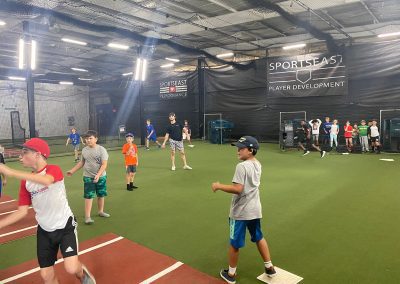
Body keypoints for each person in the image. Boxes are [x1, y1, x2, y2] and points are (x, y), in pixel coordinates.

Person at [0, 138, 96, 284]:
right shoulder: (26, 182)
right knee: (46, 276)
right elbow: (22, 211)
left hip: (65, 226)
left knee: (71, 268)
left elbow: (47, 180)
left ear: (37, 154)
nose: (20, 156)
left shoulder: (53, 169)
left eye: (25, 152)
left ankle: (82, 274)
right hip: (44, 230)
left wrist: (11, 172)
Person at [211, 136, 276, 284]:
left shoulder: (241, 166)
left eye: (241, 148)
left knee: (234, 244)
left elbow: (238, 189)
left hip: (240, 212)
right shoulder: (258, 164)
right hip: (254, 209)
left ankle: (231, 275)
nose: (238, 151)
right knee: (258, 236)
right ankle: (269, 267)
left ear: (251, 150)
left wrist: (218, 186)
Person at [67, 130, 110, 225]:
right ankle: (87, 217)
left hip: (101, 177)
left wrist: (98, 175)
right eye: (87, 139)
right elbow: (82, 162)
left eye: (90, 138)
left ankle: (100, 211)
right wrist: (72, 171)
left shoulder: (101, 150)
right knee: (88, 196)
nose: (88, 140)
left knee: (101, 194)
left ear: (96, 139)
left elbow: (104, 164)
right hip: (88, 177)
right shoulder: (84, 150)